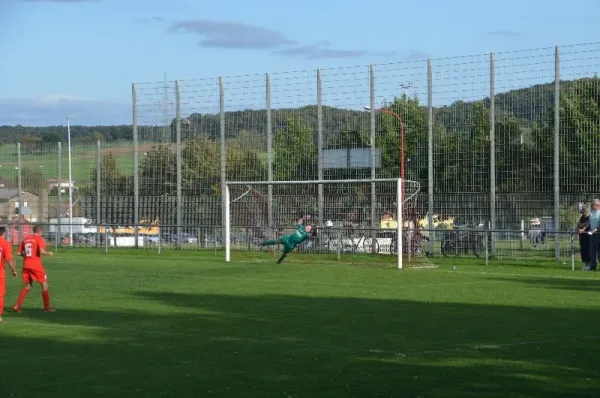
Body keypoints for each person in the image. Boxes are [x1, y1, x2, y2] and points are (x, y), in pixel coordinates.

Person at [13, 225, 55, 312]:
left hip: (26, 265)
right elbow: (42, 251)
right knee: (44, 284)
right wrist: (49, 253)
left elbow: (18, 253)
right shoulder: (39, 238)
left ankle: (17, 306)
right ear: (41, 231)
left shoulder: (26, 238)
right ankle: (46, 307)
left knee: (28, 285)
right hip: (36, 265)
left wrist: (26, 255)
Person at [0, 227, 18, 322]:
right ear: (4, 234)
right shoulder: (5, 244)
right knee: (0, 294)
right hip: (0, 273)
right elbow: (9, 259)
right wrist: (14, 270)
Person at [584, 199, 600, 271]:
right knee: (592, 251)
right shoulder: (592, 212)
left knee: (599, 251)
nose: (592, 206)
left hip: (598, 233)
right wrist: (584, 229)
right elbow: (589, 222)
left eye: (593, 204)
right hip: (593, 234)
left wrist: (595, 229)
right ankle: (593, 266)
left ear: (597, 205)